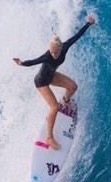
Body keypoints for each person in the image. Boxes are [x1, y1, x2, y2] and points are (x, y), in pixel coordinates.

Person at [13, 14, 97, 150]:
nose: (54, 54)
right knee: (54, 107)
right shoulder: (47, 56)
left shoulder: (64, 47)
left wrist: (88, 24)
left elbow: (77, 36)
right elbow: (33, 61)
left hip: (51, 76)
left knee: (73, 87)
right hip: (41, 82)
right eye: (52, 52)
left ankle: (66, 100)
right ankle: (49, 138)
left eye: (56, 52)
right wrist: (21, 63)